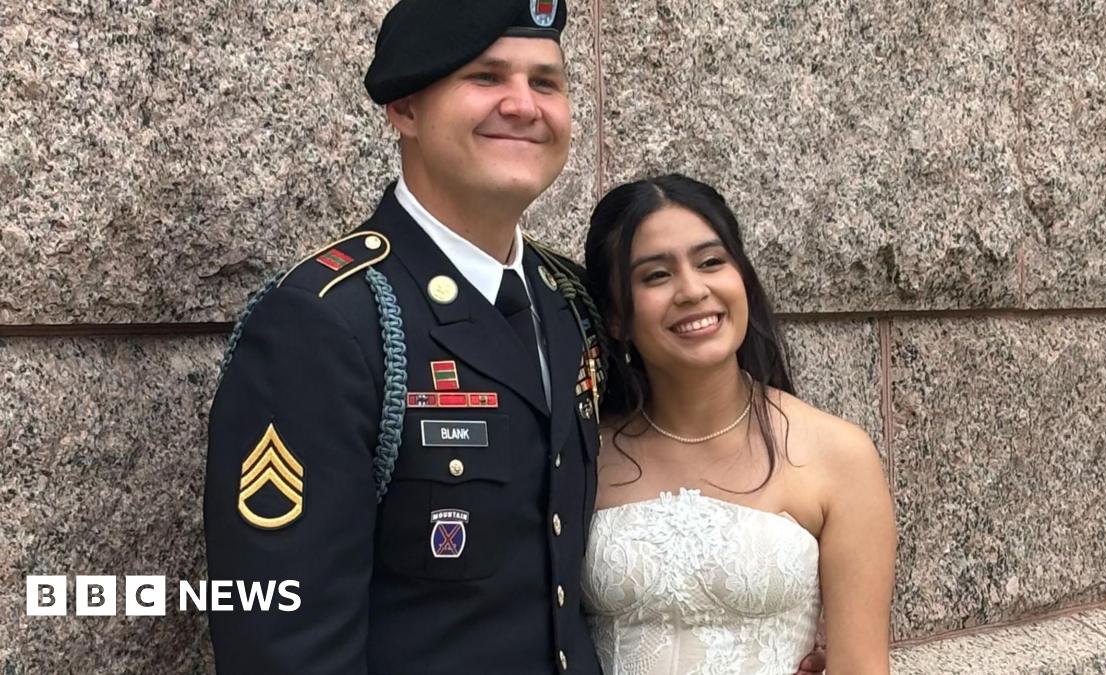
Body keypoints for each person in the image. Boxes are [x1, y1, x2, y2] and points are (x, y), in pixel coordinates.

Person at [204, 0, 830, 671]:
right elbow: (282, 642)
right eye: (487, 77)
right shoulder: (328, 321)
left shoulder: (574, 304)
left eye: (546, 82)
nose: (523, 105)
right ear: (404, 109)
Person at [581, 174, 896, 674]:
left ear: (743, 279)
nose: (692, 290)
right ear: (617, 315)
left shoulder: (837, 454)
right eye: (656, 276)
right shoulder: (580, 455)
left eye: (711, 262)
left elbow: (861, 667)